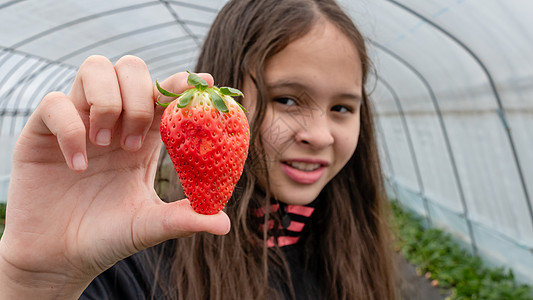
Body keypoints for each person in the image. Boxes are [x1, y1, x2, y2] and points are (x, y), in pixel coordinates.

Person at [0, 0, 398, 299]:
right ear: (225, 94)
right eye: (288, 100)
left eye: (342, 108)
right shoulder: (131, 265)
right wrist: (33, 280)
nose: (321, 135)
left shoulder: (351, 245)